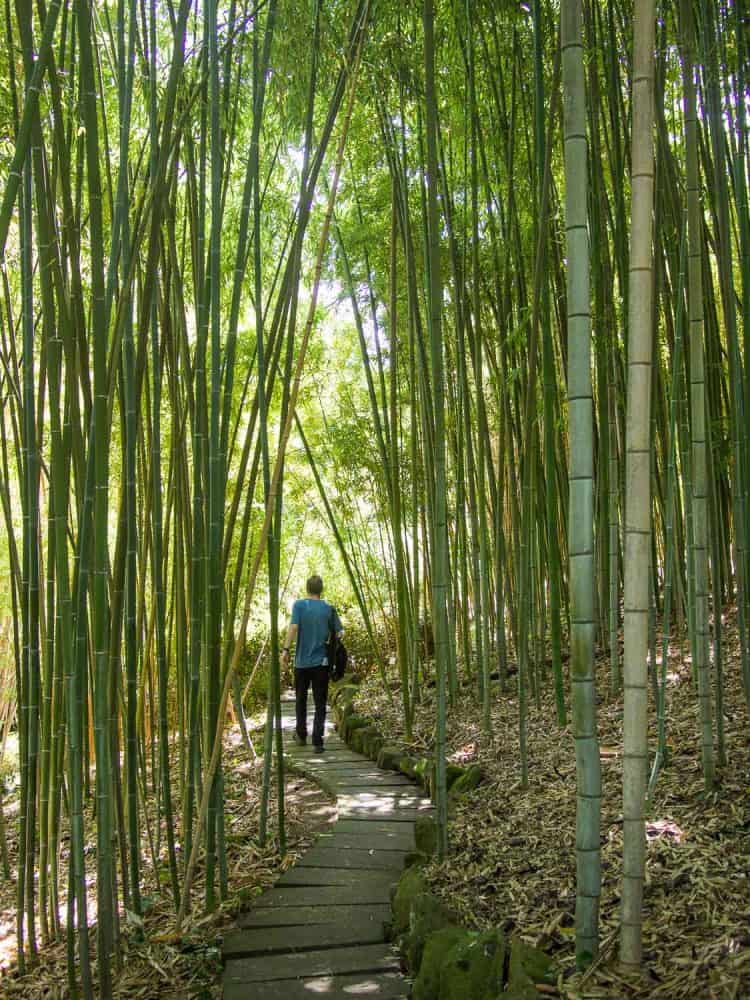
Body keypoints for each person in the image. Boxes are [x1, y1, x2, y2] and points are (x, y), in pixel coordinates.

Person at [281, 575, 343, 752]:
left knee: (300, 700)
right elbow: (339, 633)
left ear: (307, 588)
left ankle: (301, 735)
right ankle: (318, 741)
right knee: (320, 702)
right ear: (321, 589)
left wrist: (285, 650)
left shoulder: (299, 605)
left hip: (301, 663)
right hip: (321, 663)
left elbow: (293, 628)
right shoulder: (328, 609)